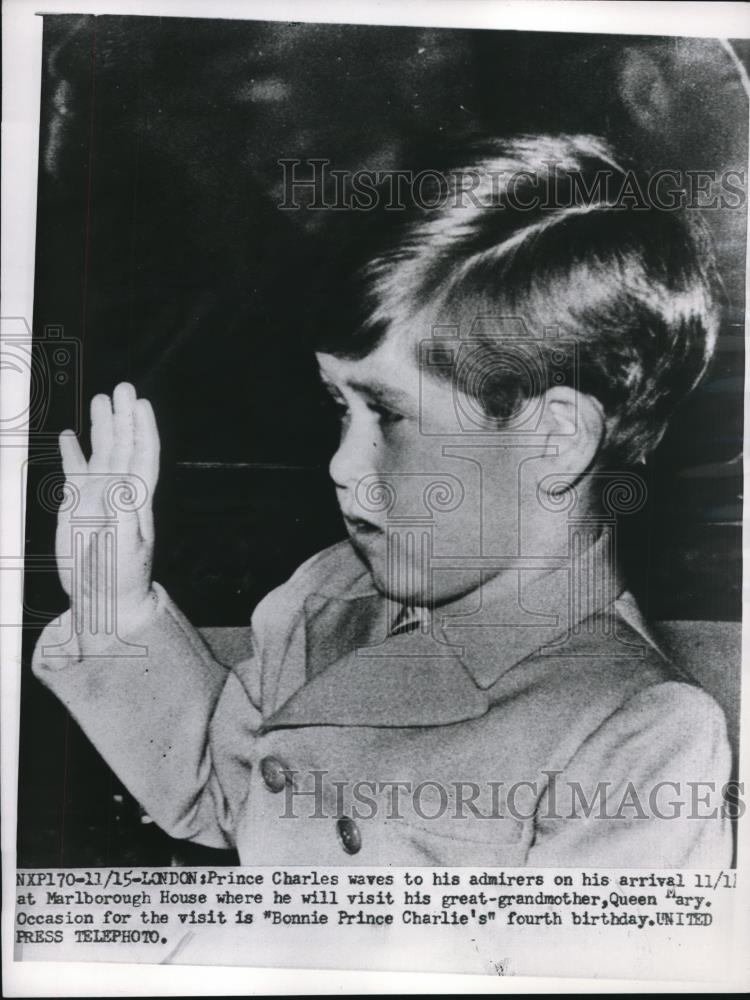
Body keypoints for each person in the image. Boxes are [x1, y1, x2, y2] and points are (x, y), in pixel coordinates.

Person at [33, 134, 732, 866]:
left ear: (554, 437)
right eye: (341, 407)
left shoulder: (638, 731)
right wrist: (114, 605)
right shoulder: (330, 596)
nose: (342, 465)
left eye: (390, 414)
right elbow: (226, 797)